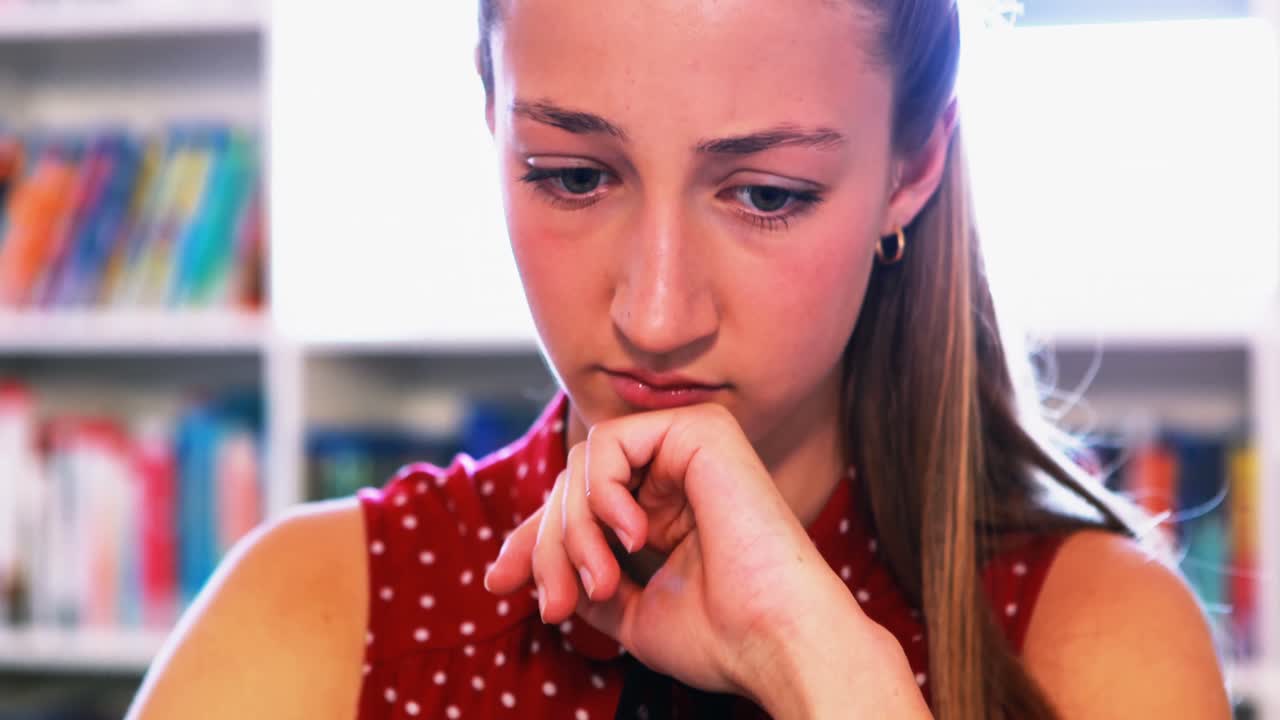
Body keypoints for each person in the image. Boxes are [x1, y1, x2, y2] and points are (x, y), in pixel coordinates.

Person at [126, 0, 1232, 718]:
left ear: (910, 166)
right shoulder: (313, 609)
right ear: (491, 124)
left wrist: (833, 683)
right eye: (570, 174)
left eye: (765, 195)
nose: (655, 316)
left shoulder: (1092, 642)